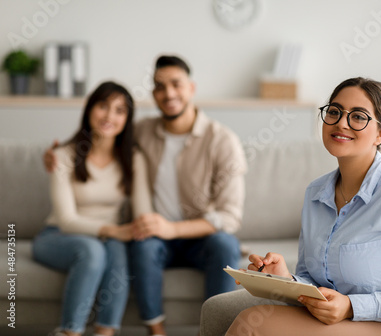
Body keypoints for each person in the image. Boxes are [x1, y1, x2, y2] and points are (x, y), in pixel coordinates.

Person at [201, 77, 381, 336]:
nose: (341, 123)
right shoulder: (315, 194)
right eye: (334, 112)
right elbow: (314, 282)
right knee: (252, 321)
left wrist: (352, 306)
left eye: (358, 116)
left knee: (253, 324)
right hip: (336, 323)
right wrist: (285, 280)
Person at [44, 55, 247, 336]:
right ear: (153, 94)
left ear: (191, 87)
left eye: (176, 84)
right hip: (152, 238)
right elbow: (101, 135)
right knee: (141, 245)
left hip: (199, 236)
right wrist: (56, 154)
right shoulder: (142, 133)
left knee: (226, 244)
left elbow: (229, 216)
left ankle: (218, 331)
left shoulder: (222, 140)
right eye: (160, 87)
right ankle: (156, 330)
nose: (169, 93)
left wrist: (169, 228)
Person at [33, 81, 153, 336]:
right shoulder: (63, 155)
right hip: (57, 236)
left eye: (120, 110)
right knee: (93, 249)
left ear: (127, 119)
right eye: (103, 106)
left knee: (117, 248)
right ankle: (69, 332)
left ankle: (105, 331)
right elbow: (66, 220)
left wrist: (142, 227)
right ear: (89, 109)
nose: (110, 116)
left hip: (109, 239)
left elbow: (143, 213)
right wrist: (114, 230)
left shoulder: (134, 158)